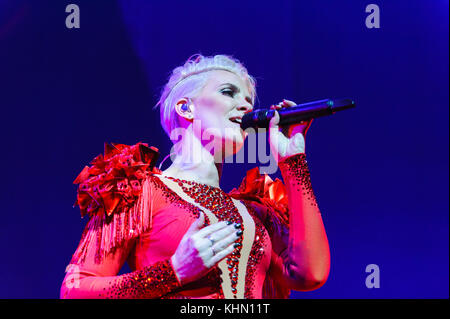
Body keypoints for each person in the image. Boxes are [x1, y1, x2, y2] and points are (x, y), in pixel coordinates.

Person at [60, 54, 330, 299]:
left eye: (249, 101)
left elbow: (310, 274)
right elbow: (75, 292)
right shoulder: (139, 191)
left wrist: (293, 162)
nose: (245, 107)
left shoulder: (256, 211)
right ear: (186, 108)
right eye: (229, 93)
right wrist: (173, 271)